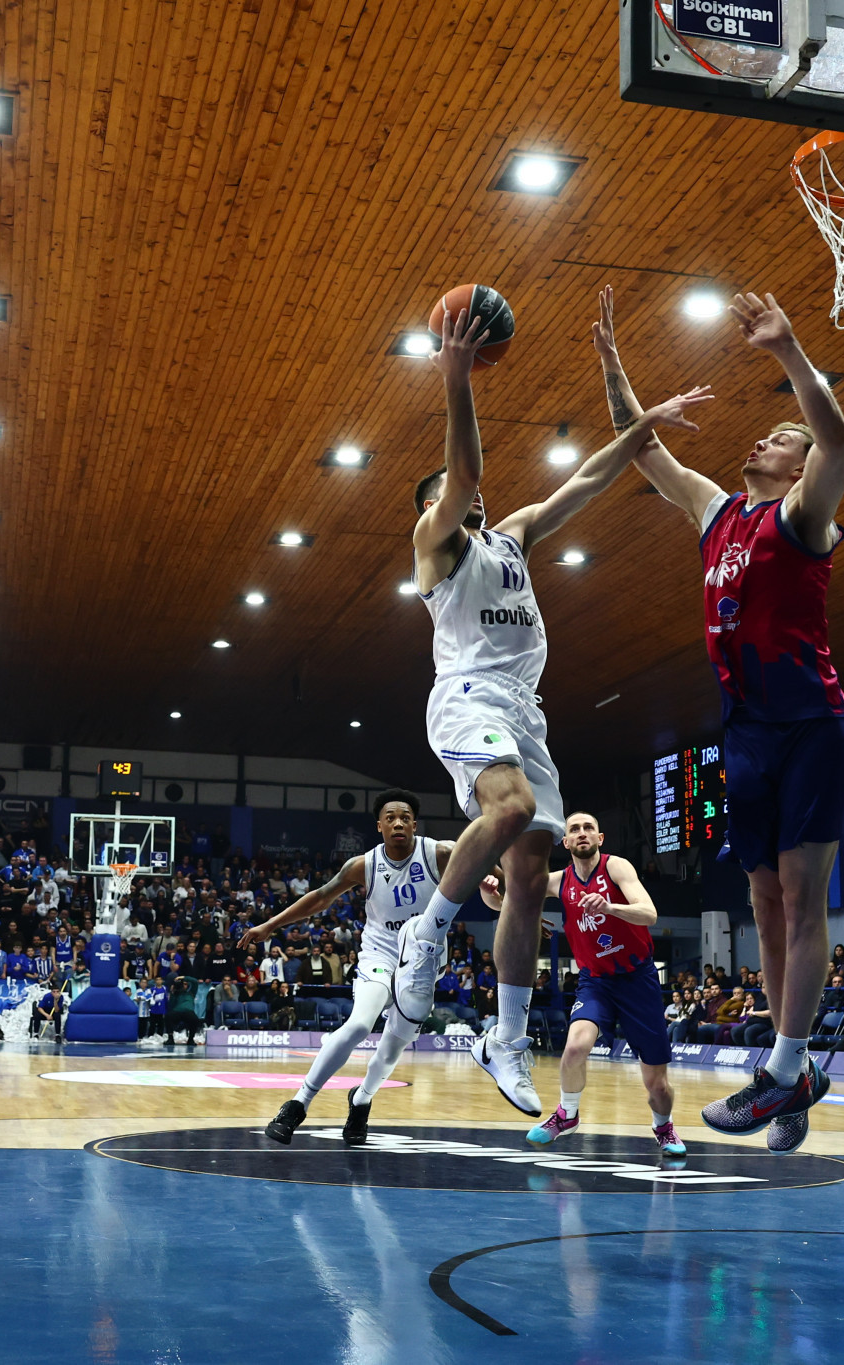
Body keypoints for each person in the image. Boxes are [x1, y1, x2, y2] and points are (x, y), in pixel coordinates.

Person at [390, 301, 713, 1118]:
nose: (470, 498)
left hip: (526, 714)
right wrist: (456, 379)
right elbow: (461, 470)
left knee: (533, 883)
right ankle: (425, 932)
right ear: (432, 508)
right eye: (451, 495)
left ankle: (503, 1038)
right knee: (517, 808)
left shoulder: (513, 535)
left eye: (472, 496)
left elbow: (590, 477)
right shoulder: (437, 546)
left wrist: (645, 421)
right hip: (467, 697)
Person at [600, 286, 844, 1155]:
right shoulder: (718, 513)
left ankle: (783, 1070)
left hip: (811, 723)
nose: (764, 439)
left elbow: (838, 437)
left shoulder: (804, 513)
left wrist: (788, 353)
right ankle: (797, 1074)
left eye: (779, 438)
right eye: (770, 434)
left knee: (798, 891)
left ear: (797, 466)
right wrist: (612, 367)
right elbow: (647, 455)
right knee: (761, 900)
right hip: (743, 732)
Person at [251, 791, 454, 1146]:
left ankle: (360, 1100)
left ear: (415, 824)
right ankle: (298, 1103)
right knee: (360, 1023)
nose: (398, 823)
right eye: (390, 817)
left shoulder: (441, 853)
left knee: (393, 1046)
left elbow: (494, 879)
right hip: (380, 955)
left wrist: (516, 908)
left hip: (423, 960)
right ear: (379, 826)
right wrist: (271, 924)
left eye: (405, 817)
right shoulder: (363, 865)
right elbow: (319, 898)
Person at [481, 812, 685, 1156]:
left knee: (658, 1085)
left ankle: (663, 1127)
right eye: (574, 829)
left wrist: (610, 907)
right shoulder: (557, 880)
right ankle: (566, 1115)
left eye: (588, 827)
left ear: (600, 837)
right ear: (566, 842)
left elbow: (648, 913)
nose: (582, 833)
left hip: (639, 980)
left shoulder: (616, 867)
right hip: (596, 982)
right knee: (575, 1048)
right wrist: (492, 898)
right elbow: (512, 906)